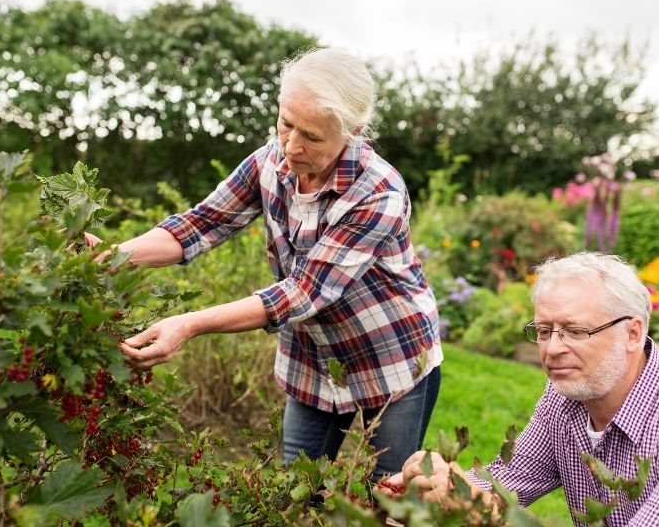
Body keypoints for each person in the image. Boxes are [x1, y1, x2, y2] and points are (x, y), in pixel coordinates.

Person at [88, 47, 443, 480]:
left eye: (311, 136)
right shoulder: (269, 161)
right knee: (293, 494)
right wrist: (112, 257)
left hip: (391, 357)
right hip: (312, 359)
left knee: (388, 497)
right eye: (285, 123)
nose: (291, 146)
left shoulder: (378, 193)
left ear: (354, 129)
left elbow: (304, 292)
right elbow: (200, 225)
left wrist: (190, 323)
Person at [380, 252, 659, 526]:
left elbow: (494, 506)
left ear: (633, 333)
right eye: (544, 331)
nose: (552, 349)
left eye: (575, 331)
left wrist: (486, 514)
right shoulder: (567, 395)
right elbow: (511, 479)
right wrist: (443, 487)